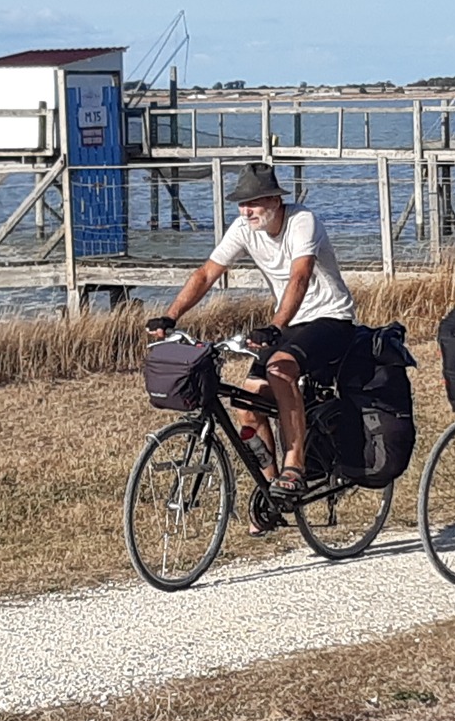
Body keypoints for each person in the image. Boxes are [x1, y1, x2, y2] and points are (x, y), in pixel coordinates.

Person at [146, 162, 357, 522]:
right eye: (241, 204)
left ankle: (295, 467)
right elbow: (206, 273)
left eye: (254, 203)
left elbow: (300, 277)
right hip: (288, 323)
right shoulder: (244, 228)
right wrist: (171, 315)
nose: (247, 211)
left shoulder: (302, 222)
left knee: (280, 368)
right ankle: (272, 492)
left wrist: (275, 325)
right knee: (247, 403)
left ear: (275, 200)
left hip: (330, 319)